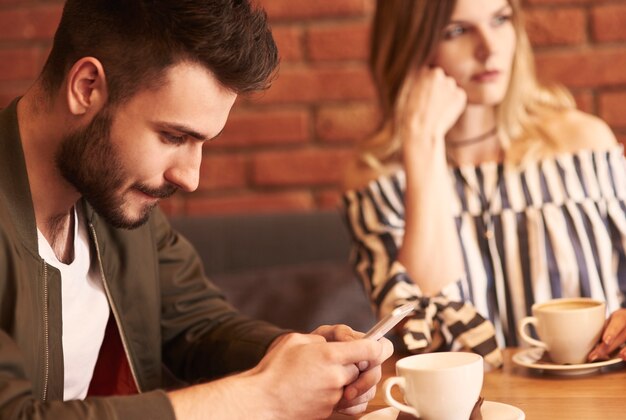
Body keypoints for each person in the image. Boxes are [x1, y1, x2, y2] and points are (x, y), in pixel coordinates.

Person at [0, 1, 393, 418]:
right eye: (172, 136)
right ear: (86, 87)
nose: (190, 178)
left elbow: (197, 324)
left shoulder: (112, 196)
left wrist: (299, 357)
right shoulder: (118, 186)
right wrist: (264, 397)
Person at [342, 0, 626, 363]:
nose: (490, 48)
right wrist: (423, 145)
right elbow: (423, 337)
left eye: (500, 19)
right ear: (410, 45)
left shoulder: (583, 146)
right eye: (457, 31)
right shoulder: (376, 181)